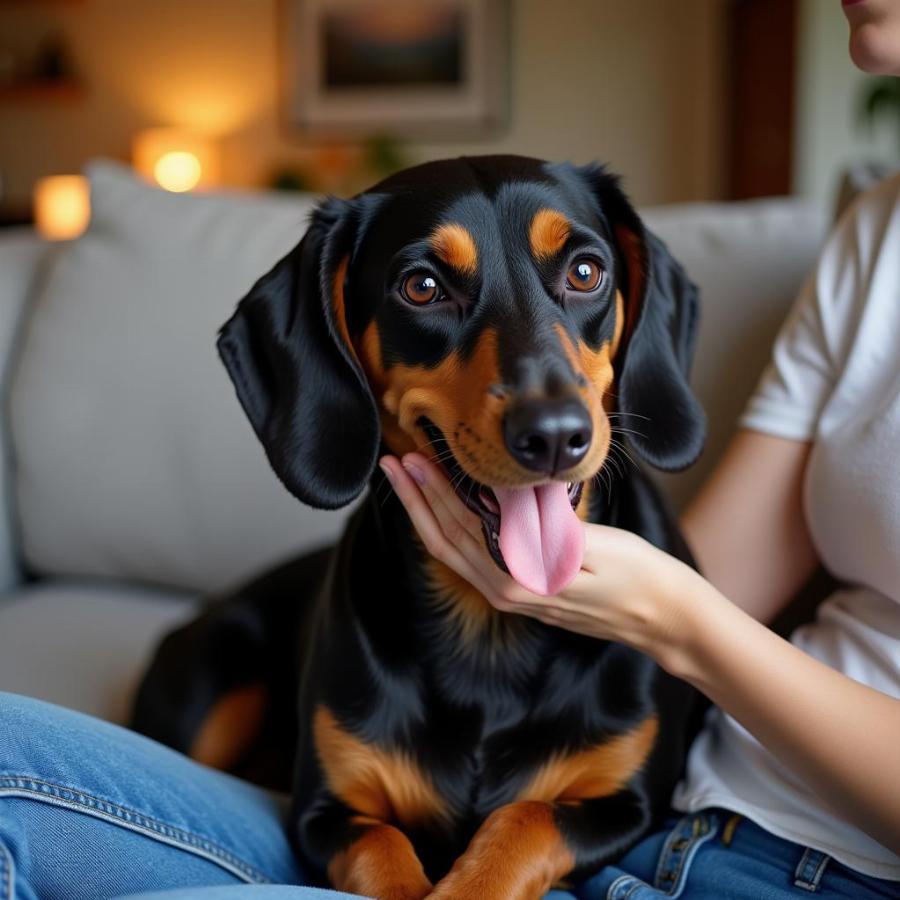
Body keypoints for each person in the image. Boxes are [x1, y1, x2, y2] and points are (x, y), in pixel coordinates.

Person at [1, 2, 897, 899]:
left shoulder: (650, 646)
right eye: (427, 286)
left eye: (579, 275)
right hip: (666, 810)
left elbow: (636, 754)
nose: (547, 410)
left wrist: (526, 832)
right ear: (344, 342)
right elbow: (327, 815)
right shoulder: (872, 241)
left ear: (627, 316)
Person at [377, 2, 900, 897]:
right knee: (39, 774)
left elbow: (688, 607)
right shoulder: (877, 230)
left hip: (814, 876)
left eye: (580, 275)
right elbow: (710, 575)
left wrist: (678, 616)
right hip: (649, 821)